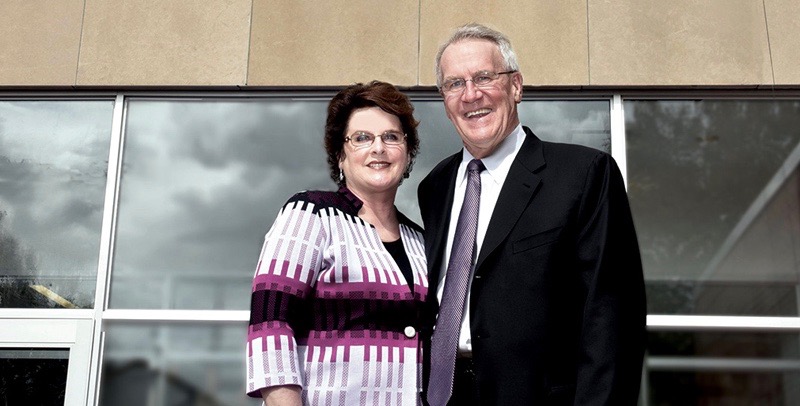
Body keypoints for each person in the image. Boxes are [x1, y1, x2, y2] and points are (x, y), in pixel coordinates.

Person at [418, 23, 647, 405]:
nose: (470, 94)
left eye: (484, 77)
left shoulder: (583, 174)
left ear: (516, 86)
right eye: (454, 84)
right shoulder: (435, 186)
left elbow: (611, 320)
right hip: (444, 394)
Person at [246, 81, 427, 405]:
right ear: (340, 155)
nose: (378, 148)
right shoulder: (311, 213)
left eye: (391, 137)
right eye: (362, 138)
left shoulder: (421, 241)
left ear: (408, 151)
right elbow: (271, 324)